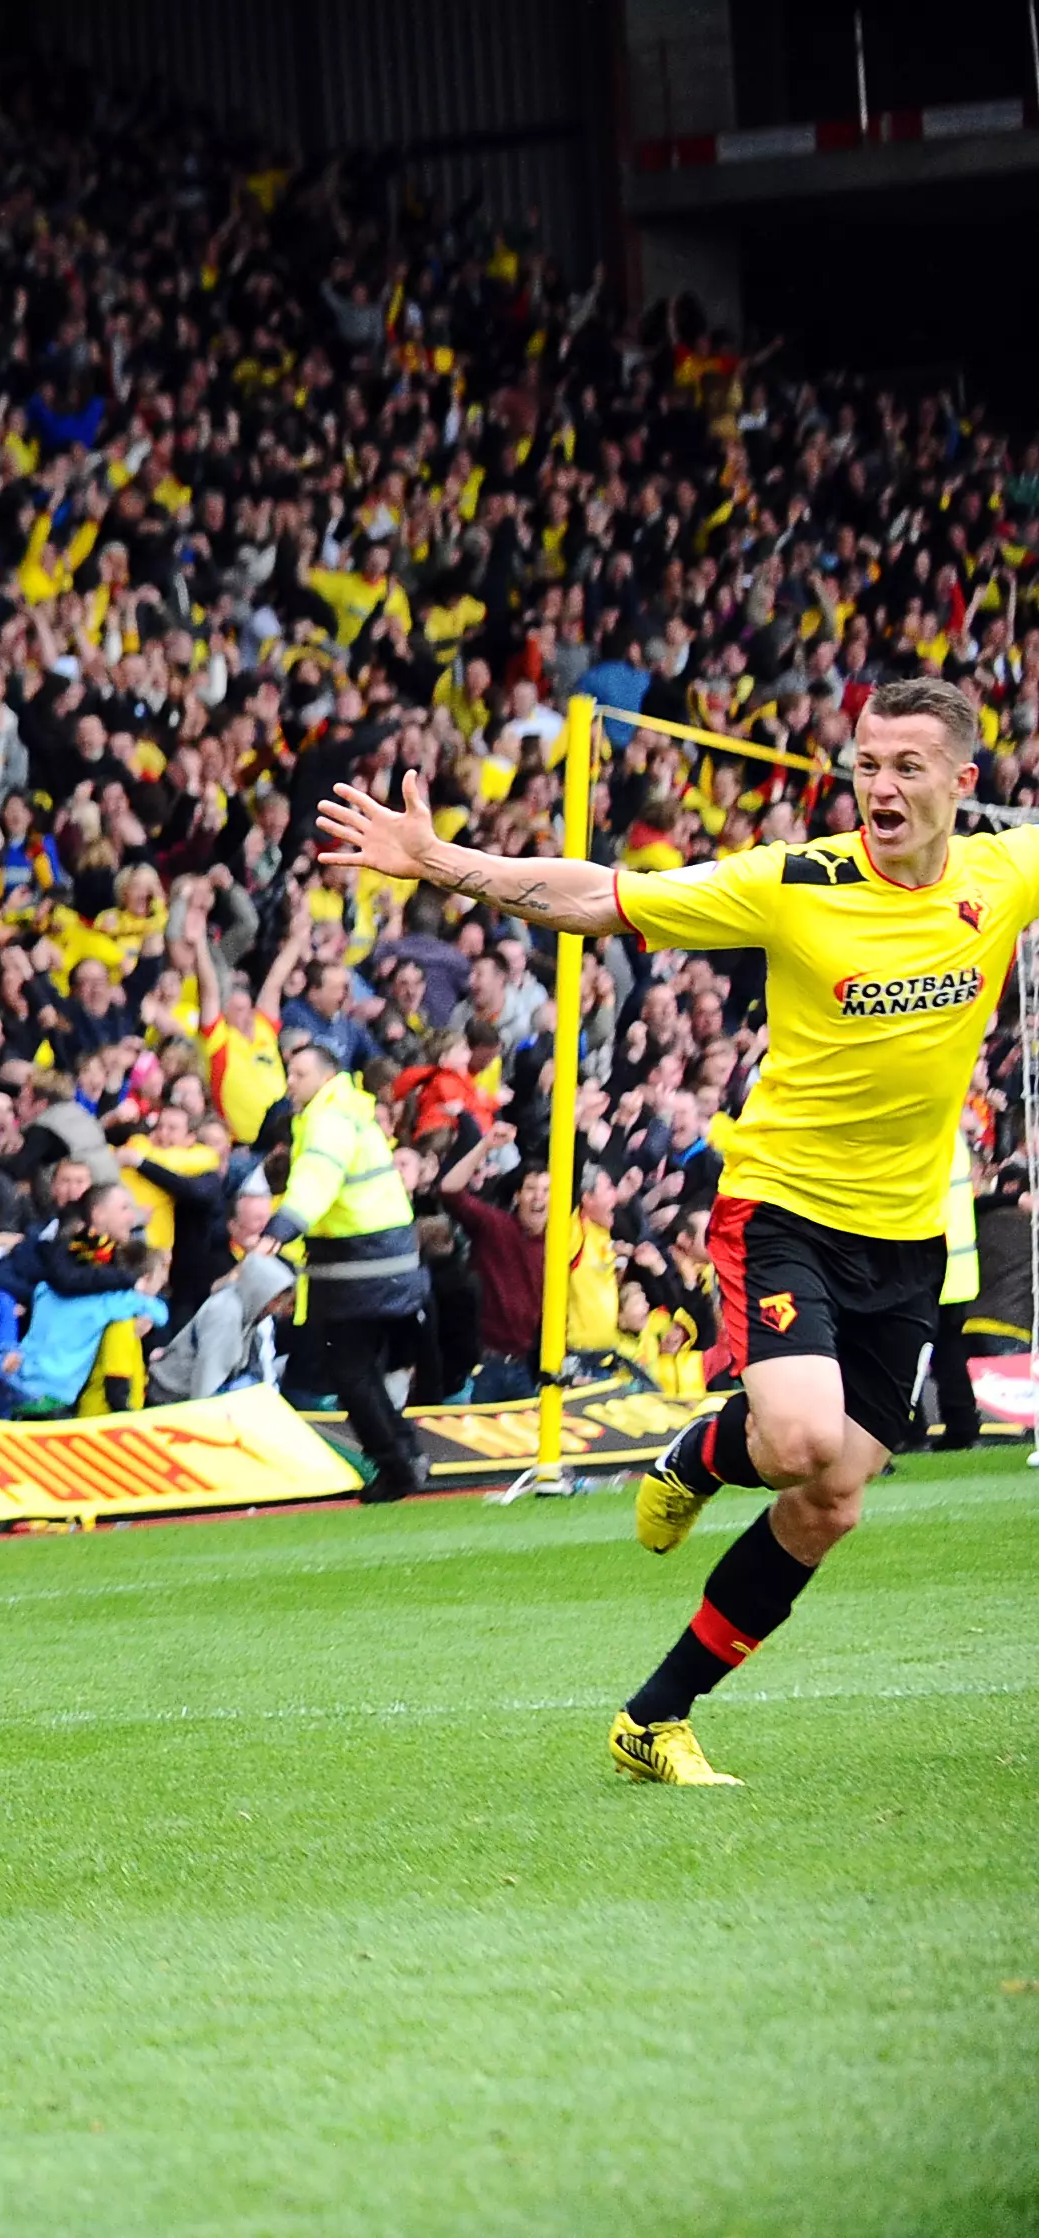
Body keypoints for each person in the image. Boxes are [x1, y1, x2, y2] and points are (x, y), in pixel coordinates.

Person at [317, 676, 1030, 1786]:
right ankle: (697, 1450)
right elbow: (597, 895)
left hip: (905, 1239)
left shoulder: (1004, 871)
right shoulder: (793, 884)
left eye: (905, 768)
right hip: (784, 1207)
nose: (880, 787)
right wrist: (440, 862)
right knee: (793, 1441)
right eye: (865, 766)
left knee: (830, 1497)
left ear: (961, 783)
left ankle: (652, 1721)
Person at [258, 1039, 430, 1501]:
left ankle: (396, 1466)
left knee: (350, 1372)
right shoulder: (351, 1110)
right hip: (383, 1260)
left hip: (362, 1266)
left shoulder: (326, 1119)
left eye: (299, 1074)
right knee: (361, 1370)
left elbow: (319, 1179)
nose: (290, 1083)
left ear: (325, 1076)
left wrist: (284, 1225)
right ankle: (406, 1453)